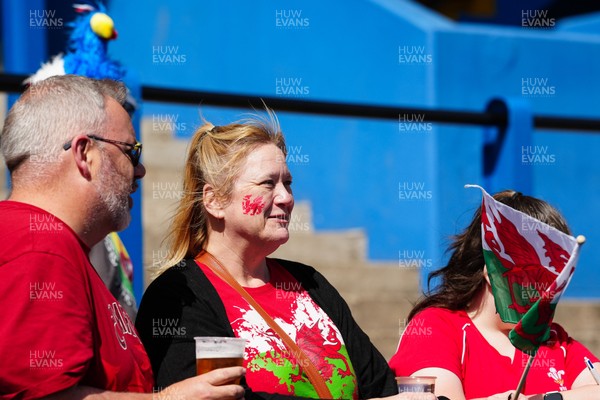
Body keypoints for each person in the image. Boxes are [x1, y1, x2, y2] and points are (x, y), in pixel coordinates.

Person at [135, 114, 435, 400]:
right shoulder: (178, 296)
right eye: (268, 184)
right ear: (214, 201)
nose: (286, 197)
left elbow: (379, 385)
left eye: (287, 183)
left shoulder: (309, 282)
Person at [0, 75, 244, 399]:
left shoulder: (56, 247)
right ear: (84, 154)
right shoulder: (40, 248)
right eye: (131, 151)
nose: (140, 170)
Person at [389, 190, 600, 400]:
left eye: (557, 274)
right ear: (492, 272)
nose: (549, 288)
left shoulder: (553, 339)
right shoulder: (436, 326)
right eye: (536, 273)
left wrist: (546, 399)